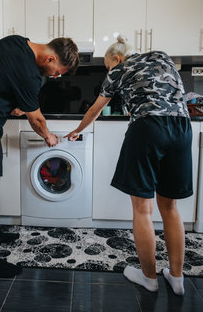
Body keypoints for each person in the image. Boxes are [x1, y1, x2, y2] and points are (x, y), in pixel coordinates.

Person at [65, 34, 192, 295]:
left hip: (148, 127)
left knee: (143, 209)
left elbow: (95, 109)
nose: (109, 70)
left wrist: (78, 130)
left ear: (117, 58)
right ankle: (177, 279)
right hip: (181, 127)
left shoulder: (119, 69)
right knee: (170, 207)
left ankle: (149, 278)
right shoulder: (162, 56)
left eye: (108, 65)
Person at [0, 35, 79, 278]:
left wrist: (16, 103)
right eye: (57, 72)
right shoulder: (30, 74)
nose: (55, 77)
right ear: (51, 58)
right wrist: (49, 137)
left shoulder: (13, 42)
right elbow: (36, 118)